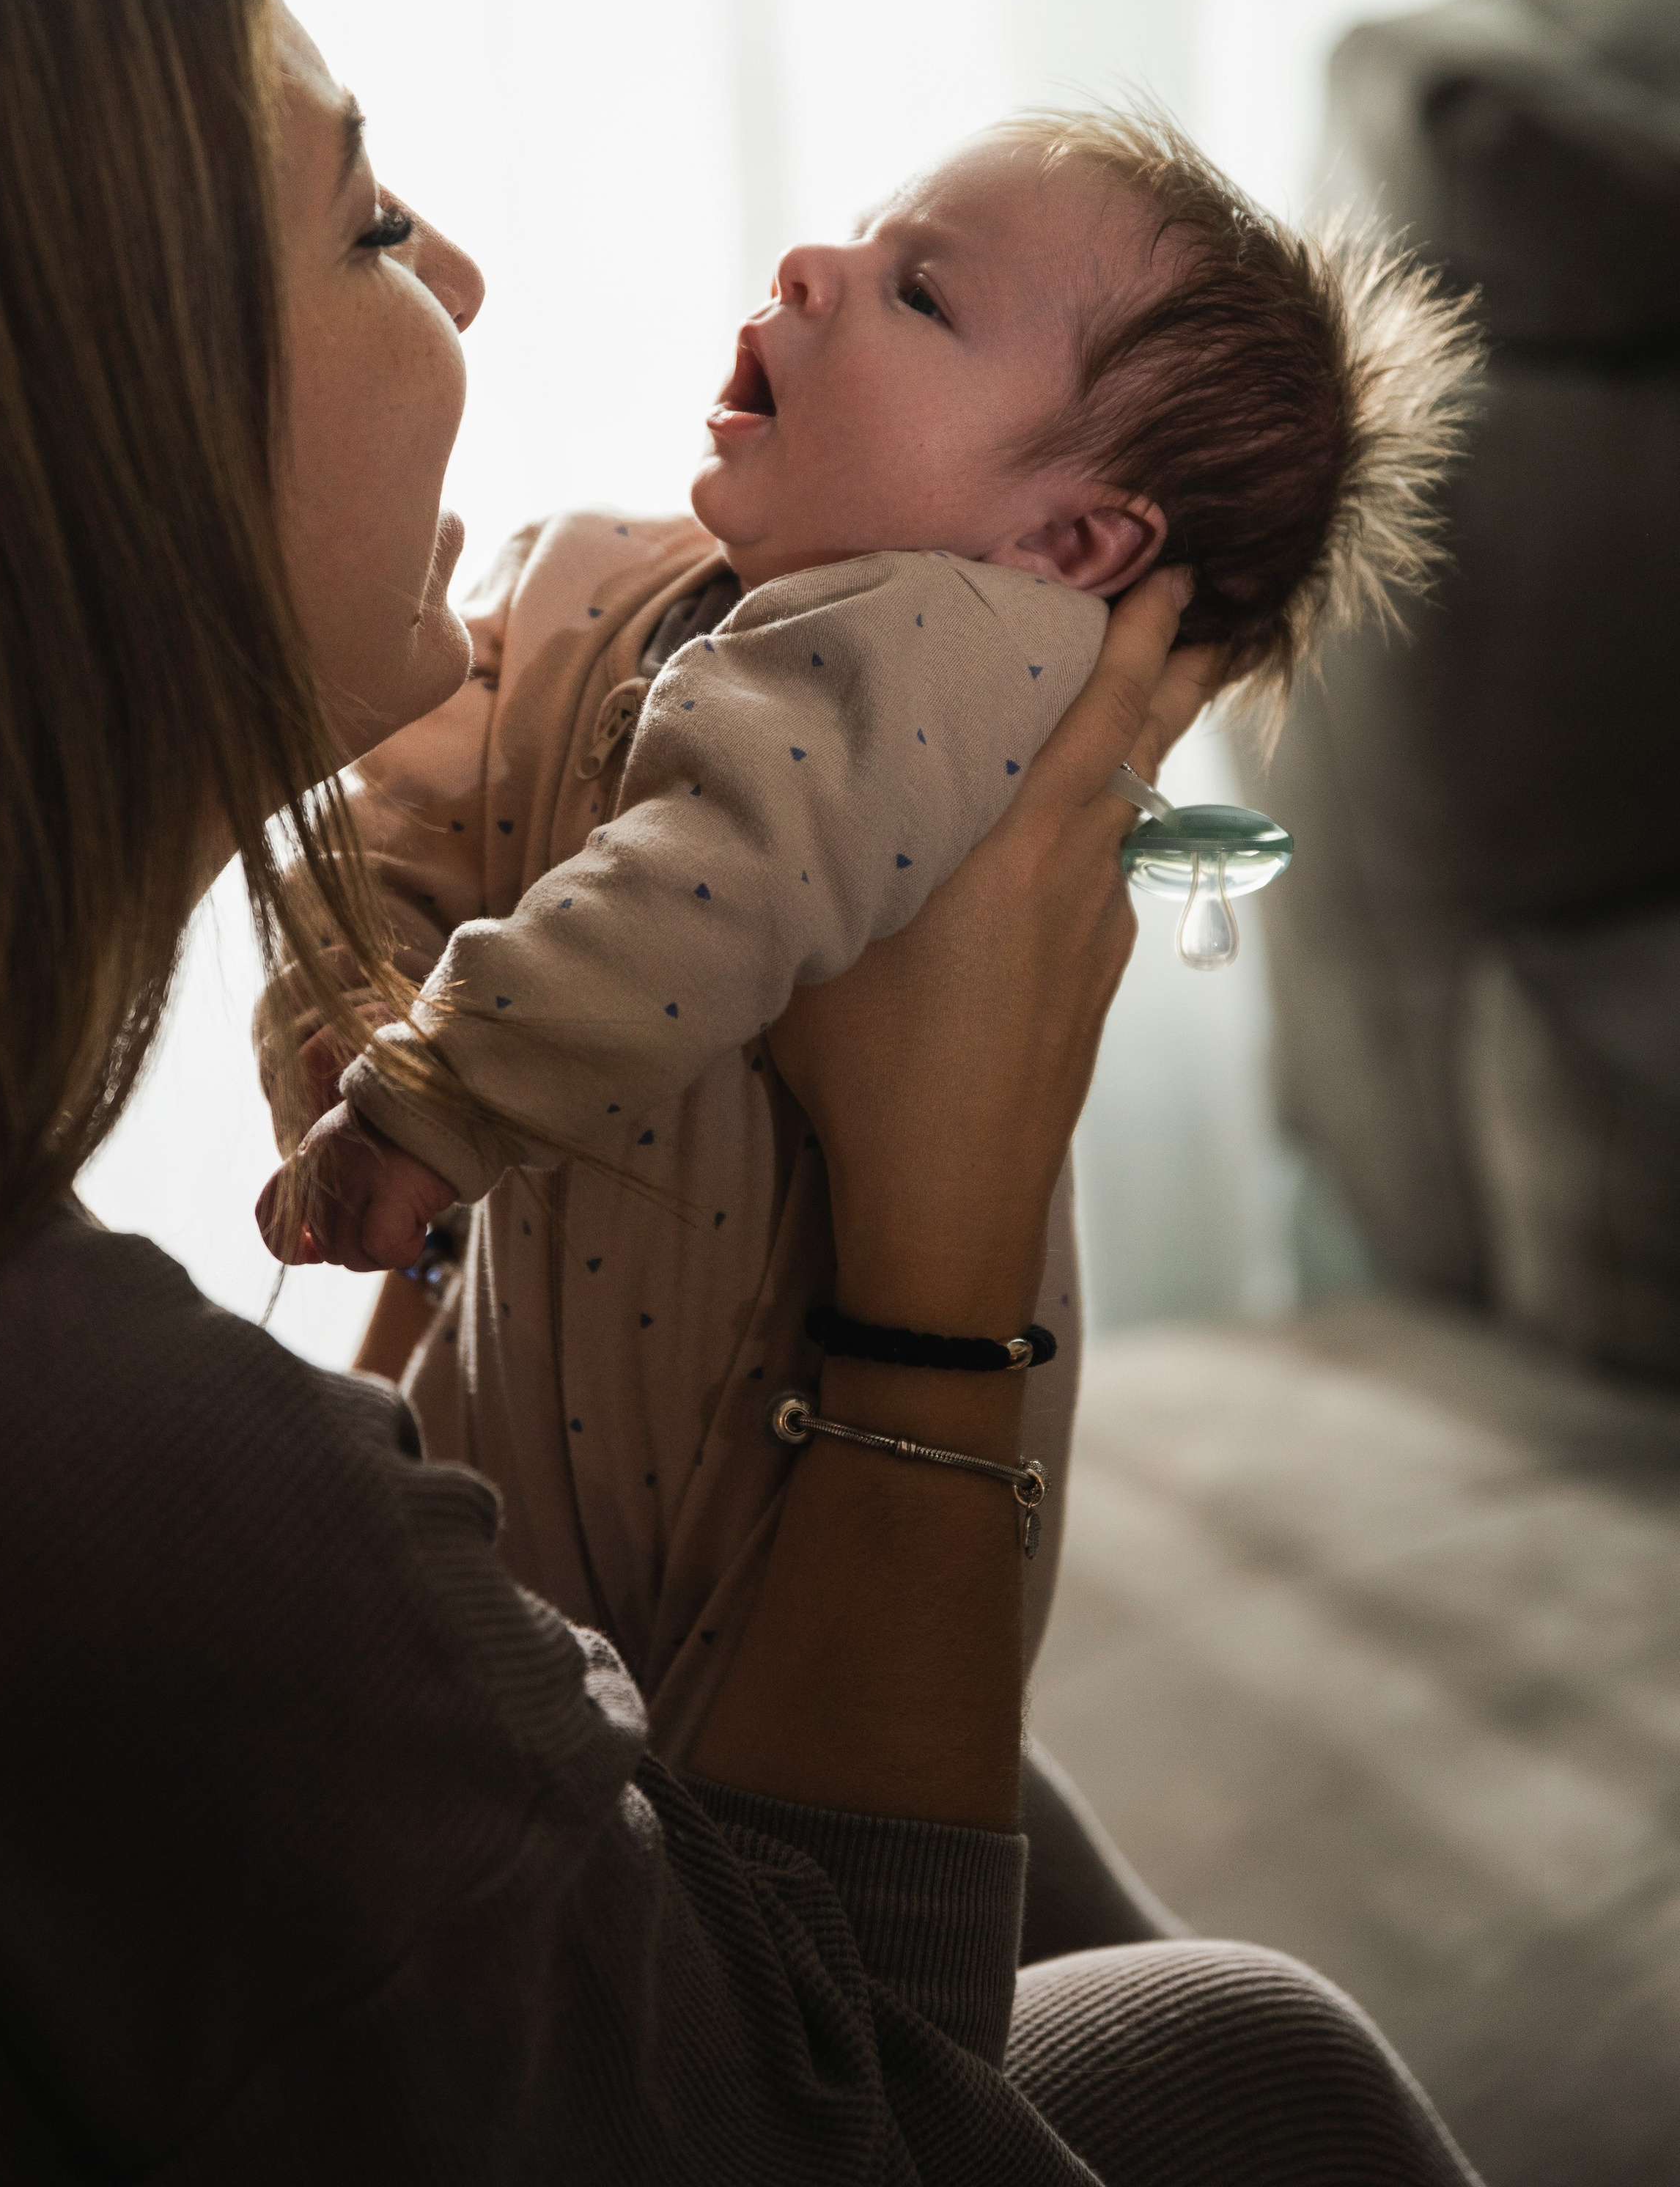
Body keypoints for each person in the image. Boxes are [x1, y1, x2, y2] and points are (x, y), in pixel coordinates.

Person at [0, 0, 1480, 2184]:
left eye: (920, 290)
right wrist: (943, 1261)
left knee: (1154, 1947)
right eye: (370, 224)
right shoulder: (151, 1525)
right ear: (92, 420)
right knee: (1256, 2058)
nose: (462, 278)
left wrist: (393, 992)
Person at [249, 114, 1475, 1774]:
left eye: (919, 295)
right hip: (532, 1408)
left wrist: (425, 1098)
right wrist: (345, 999)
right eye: (855, 239)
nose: (811, 269)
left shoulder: (967, 656)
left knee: (701, 1862)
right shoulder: (619, 578)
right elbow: (413, 802)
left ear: (1072, 549)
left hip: (771, 1486)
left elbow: (720, 873)